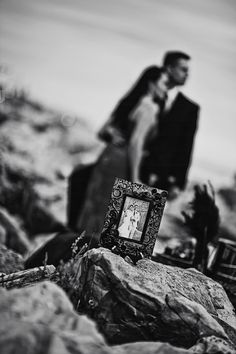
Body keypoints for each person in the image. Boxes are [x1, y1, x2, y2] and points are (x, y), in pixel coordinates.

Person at [69, 66, 168, 237]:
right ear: (152, 84)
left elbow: (102, 131)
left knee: (94, 205)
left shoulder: (130, 101)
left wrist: (114, 136)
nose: (166, 89)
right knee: (109, 214)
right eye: (164, 83)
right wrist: (136, 177)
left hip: (108, 156)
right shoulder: (149, 108)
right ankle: (90, 255)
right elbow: (135, 143)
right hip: (122, 163)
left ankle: (76, 248)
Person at [140, 51, 200, 198]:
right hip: (128, 167)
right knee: (115, 219)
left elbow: (186, 147)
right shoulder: (145, 94)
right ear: (168, 68)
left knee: (140, 221)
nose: (187, 75)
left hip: (159, 179)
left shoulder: (190, 108)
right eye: (183, 69)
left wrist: (179, 183)